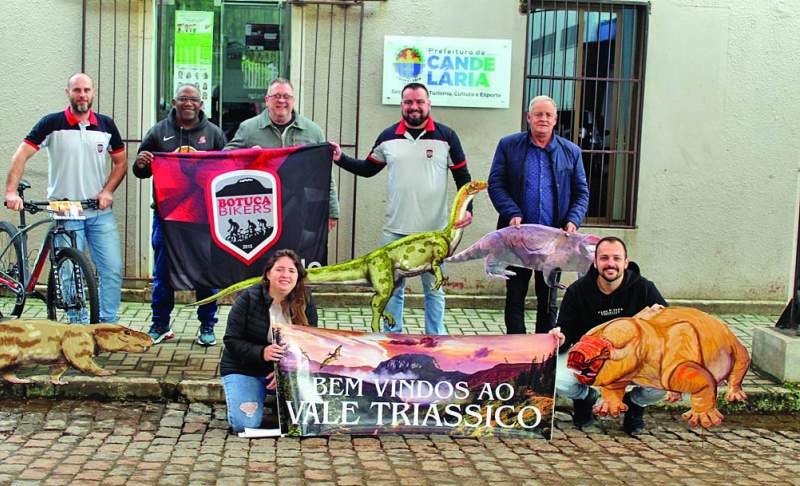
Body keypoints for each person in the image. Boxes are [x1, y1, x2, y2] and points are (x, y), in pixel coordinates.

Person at [331, 82, 472, 335]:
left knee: (435, 291)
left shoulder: (447, 137)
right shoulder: (387, 137)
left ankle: (435, 340)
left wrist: (469, 210)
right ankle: (392, 340)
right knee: (393, 292)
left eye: (419, 102)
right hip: (395, 231)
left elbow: (464, 179)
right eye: (408, 102)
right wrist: (340, 158)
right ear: (402, 105)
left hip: (435, 234)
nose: (414, 107)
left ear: (429, 104)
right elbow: (367, 169)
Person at [5, 72, 126, 323]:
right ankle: (77, 324)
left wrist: (108, 191)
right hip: (65, 209)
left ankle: (107, 324)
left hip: (98, 210)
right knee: (70, 270)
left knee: (112, 269)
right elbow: (21, 155)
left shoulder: (106, 125)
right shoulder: (52, 123)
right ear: (68, 93)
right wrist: (10, 191)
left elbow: (121, 163)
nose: (82, 95)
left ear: (93, 93)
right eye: (77, 90)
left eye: (87, 90)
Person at [133, 84, 228, 345]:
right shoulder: (158, 132)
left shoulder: (214, 134)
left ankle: (207, 325)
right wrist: (141, 163)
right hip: (167, 216)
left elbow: (227, 170)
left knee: (206, 273)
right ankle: (160, 324)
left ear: (201, 104)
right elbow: (141, 171)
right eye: (184, 99)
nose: (189, 103)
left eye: (194, 99)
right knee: (162, 272)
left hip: (202, 217)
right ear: (174, 102)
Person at [488, 94, 589, 335]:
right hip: (516, 238)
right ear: (528, 118)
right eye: (538, 114)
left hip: (554, 241)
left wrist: (573, 220)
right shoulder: (508, 145)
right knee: (515, 295)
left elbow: (581, 191)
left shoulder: (571, 151)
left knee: (548, 298)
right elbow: (496, 183)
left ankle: (544, 348)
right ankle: (515, 349)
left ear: (555, 120)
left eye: (548, 115)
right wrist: (511, 212)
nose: (543, 119)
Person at [550, 237, 668, 434]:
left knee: (666, 378)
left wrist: (662, 320)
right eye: (604, 258)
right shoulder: (577, 291)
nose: (610, 263)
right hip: (589, 360)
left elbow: (669, 330)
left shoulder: (644, 288)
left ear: (625, 263)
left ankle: (634, 404)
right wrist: (559, 338)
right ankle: (585, 398)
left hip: (633, 361)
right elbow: (565, 330)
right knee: (555, 377)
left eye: (616, 258)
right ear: (595, 262)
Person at [220, 249, 318, 432]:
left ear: (298, 276)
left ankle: (279, 401)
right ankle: (251, 394)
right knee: (245, 425)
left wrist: (285, 371)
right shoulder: (248, 298)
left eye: (291, 271)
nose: (285, 275)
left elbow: (310, 344)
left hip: (286, 371)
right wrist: (261, 352)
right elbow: (231, 340)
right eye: (280, 269)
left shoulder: (305, 300)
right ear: (268, 273)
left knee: (308, 420)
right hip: (245, 369)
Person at [224, 78, 340, 231]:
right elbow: (225, 158)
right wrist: (246, 155)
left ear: (293, 100)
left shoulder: (313, 131)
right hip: (261, 209)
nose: (281, 100)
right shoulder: (249, 128)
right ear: (267, 100)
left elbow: (325, 174)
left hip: (301, 209)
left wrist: (332, 211)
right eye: (276, 96)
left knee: (299, 254)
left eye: (286, 96)